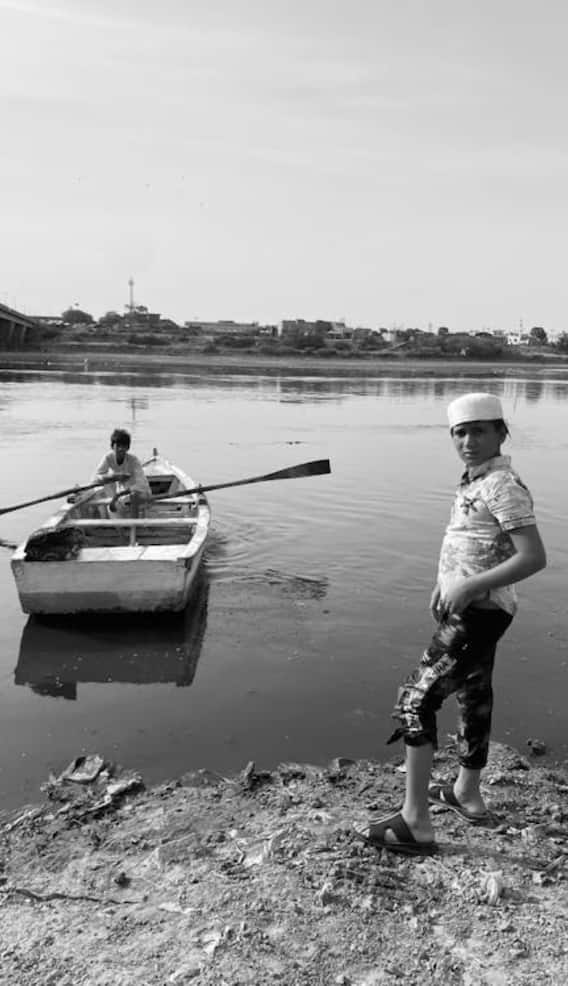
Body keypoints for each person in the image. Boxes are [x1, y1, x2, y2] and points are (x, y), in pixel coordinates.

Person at [354, 392, 547, 856]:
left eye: (479, 431)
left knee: (414, 702)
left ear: (501, 432)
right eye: (460, 433)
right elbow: (471, 542)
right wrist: (445, 585)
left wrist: (468, 587)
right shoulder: (475, 481)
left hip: (480, 612)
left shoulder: (501, 485)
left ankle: (415, 822)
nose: (468, 441)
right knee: (474, 694)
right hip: (476, 607)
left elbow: (533, 557)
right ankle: (466, 793)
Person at [92, 428, 152, 517]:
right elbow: (96, 478)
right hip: (122, 494)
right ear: (112, 446)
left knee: (134, 495)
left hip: (139, 493)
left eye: (123, 446)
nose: (120, 449)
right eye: (118, 446)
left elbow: (141, 484)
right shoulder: (108, 458)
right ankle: (104, 517)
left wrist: (118, 495)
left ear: (127, 448)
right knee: (99, 489)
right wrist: (115, 476)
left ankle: (134, 523)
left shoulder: (134, 460)